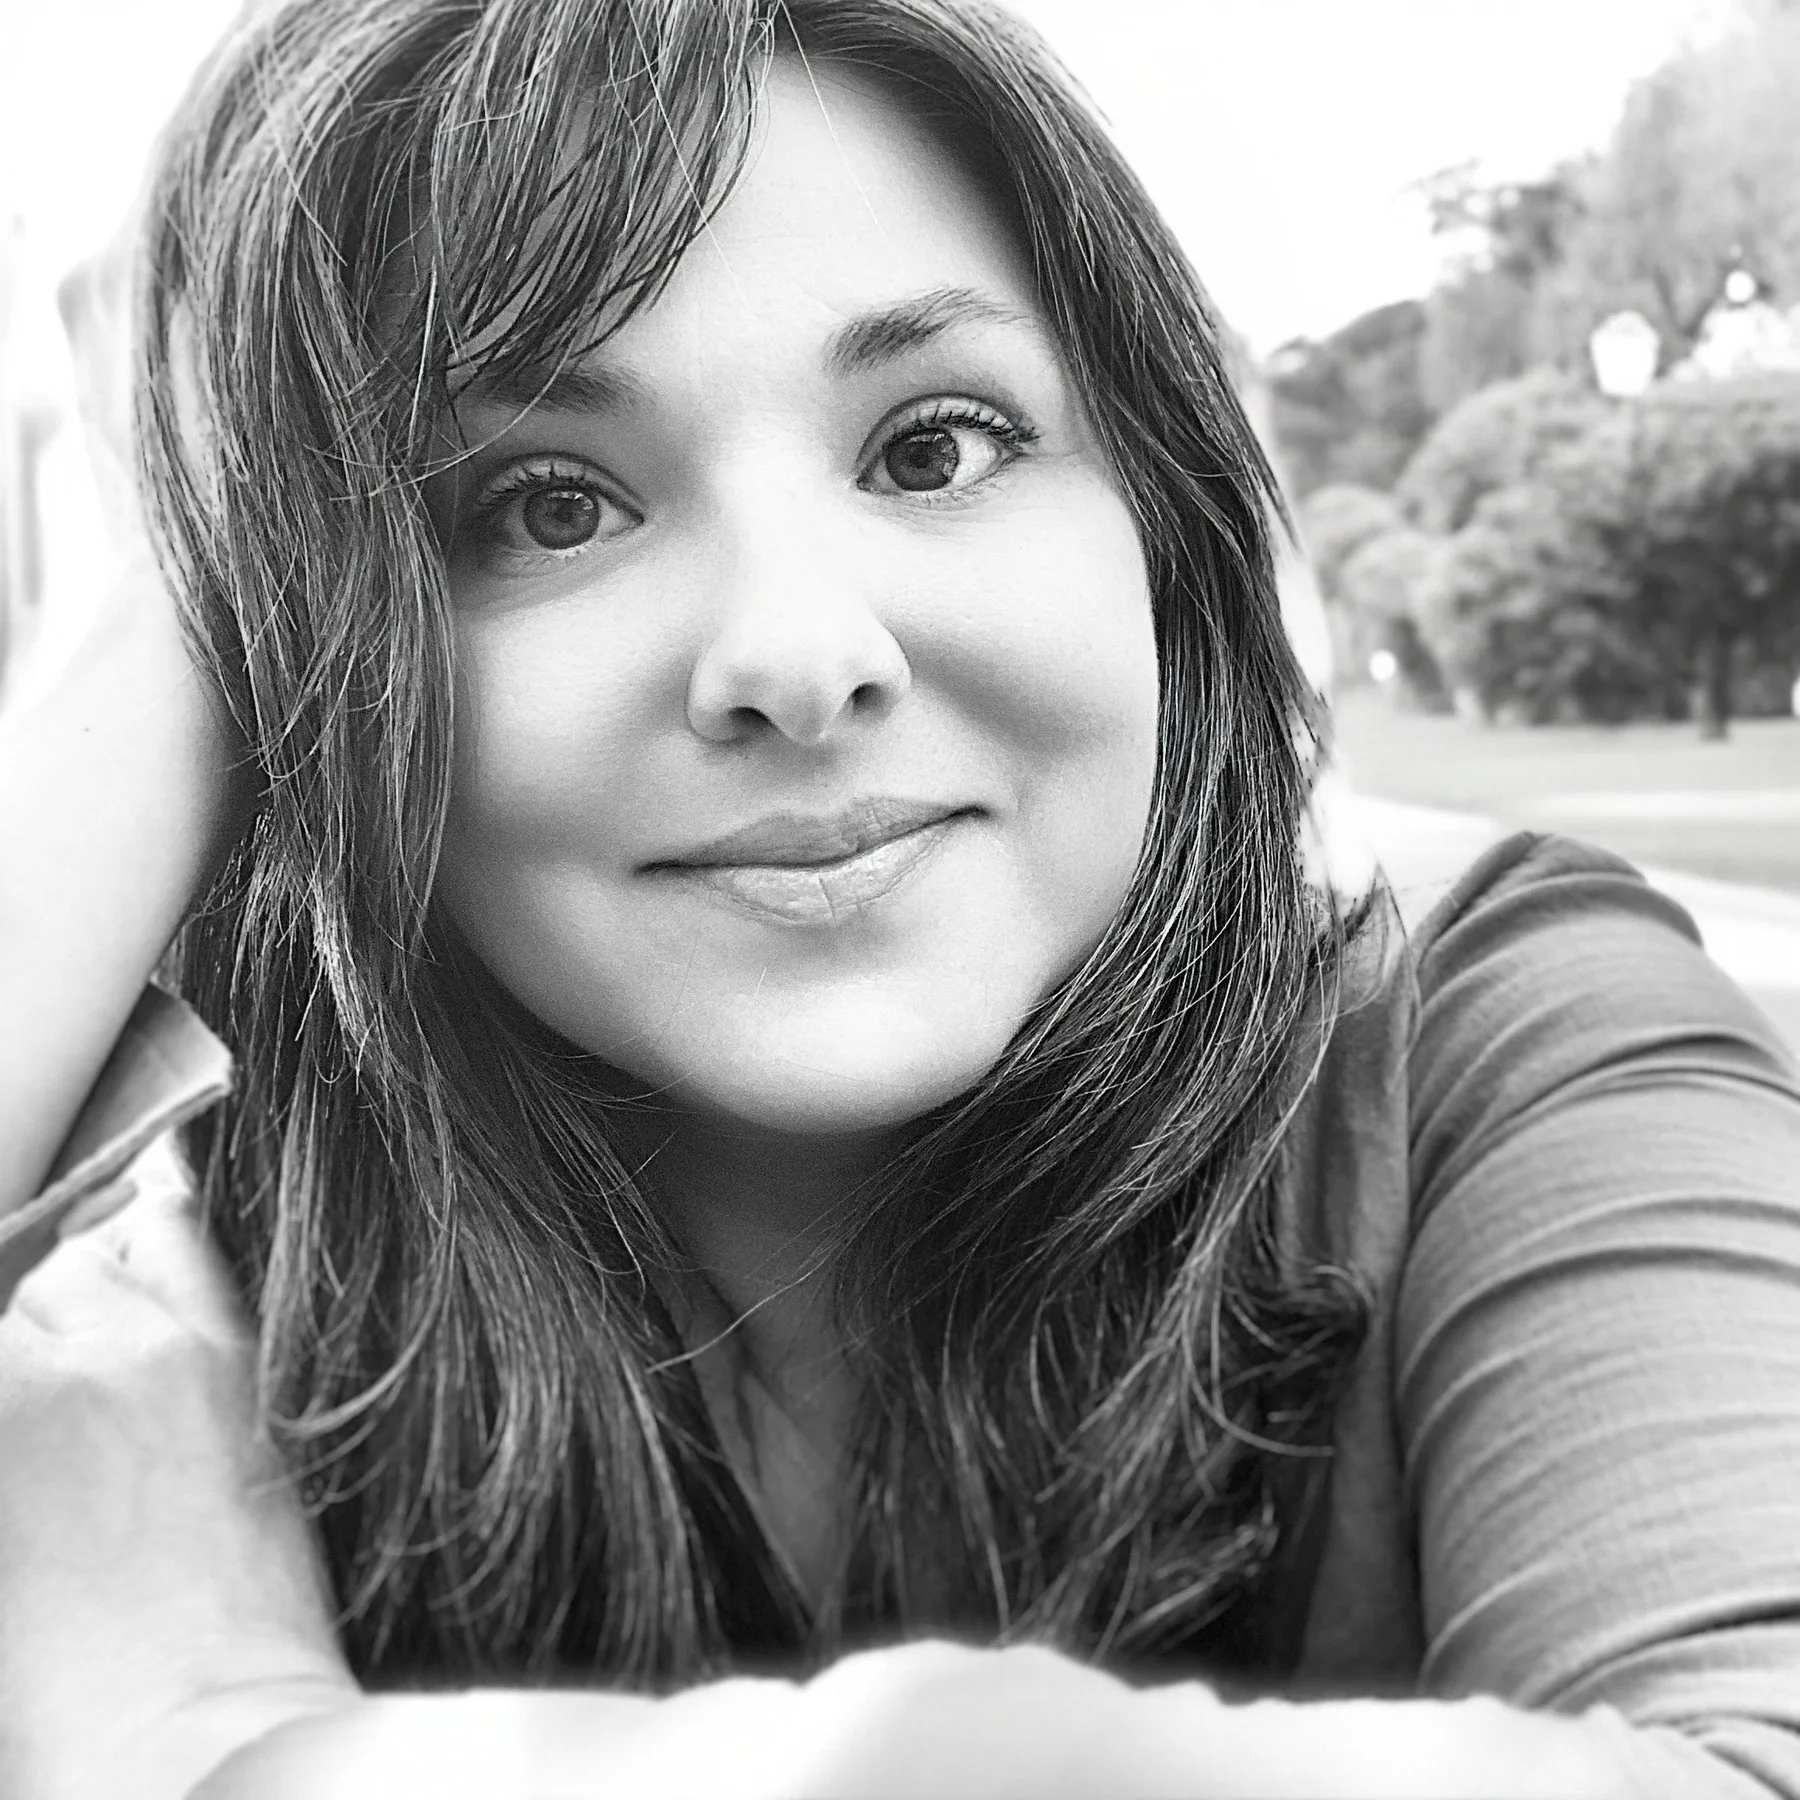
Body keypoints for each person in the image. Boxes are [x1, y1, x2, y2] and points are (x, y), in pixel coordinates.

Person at [1, 2, 1798, 1795]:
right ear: (312, 658)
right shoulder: (192, 1238)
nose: (799, 653)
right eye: (548, 507)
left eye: (933, 446)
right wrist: (194, 567)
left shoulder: (1494, 1038)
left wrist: (223, 1753)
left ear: (1161, 532)